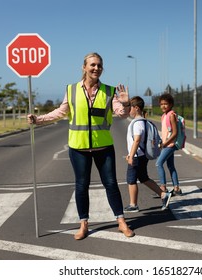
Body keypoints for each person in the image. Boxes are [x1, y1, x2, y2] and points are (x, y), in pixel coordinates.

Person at [28, 52, 134, 240]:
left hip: (104, 147)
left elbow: (122, 115)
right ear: (84, 67)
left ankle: (121, 221)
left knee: (111, 184)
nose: (96, 68)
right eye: (92, 65)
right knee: (81, 186)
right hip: (78, 148)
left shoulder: (110, 91)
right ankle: (83, 223)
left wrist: (126, 104)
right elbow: (61, 112)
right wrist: (38, 119)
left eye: (99, 65)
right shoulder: (71, 90)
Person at [124, 96, 172, 213]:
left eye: (130, 108)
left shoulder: (137, 123)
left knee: (131, 180)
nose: (128, 110)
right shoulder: (144, 122)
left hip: (137, 156)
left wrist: (131, 155)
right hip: (142, 155)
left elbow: (136, 140)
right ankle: (163, 194)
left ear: (136, 108)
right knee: (143, 178)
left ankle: (133, 204)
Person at [156, 93, 182, 196]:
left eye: (166, 104)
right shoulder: (163, 116)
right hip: (167, 144)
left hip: (170, 144)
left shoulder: (171, 115)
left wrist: (165, 143)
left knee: (158, 163)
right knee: (170, 166)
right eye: (161, 104)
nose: (163, 106)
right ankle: (177, 188)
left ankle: (163, 188)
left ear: (171, 104)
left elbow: (175, 133)